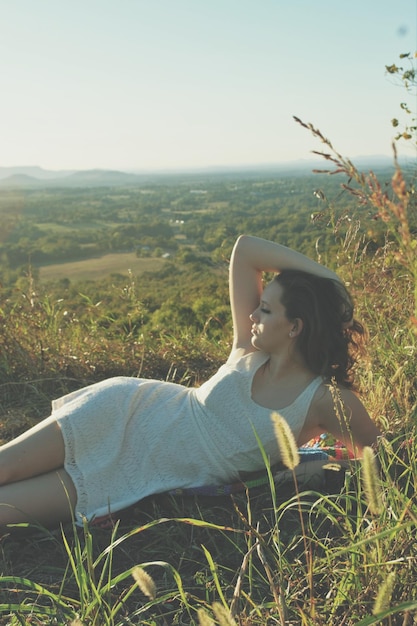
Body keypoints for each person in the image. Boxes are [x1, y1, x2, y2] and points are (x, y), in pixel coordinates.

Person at [0, 235, 381, 531]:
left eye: (265, 309)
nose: (252, 313)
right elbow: (245, 250)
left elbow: (383, 460)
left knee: (6, 510)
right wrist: (331, 280)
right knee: (5, 467)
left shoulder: (325, 401)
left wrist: (310, 470)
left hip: (134, 476)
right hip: (122, 411)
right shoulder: (248, 350)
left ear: (295, 327)